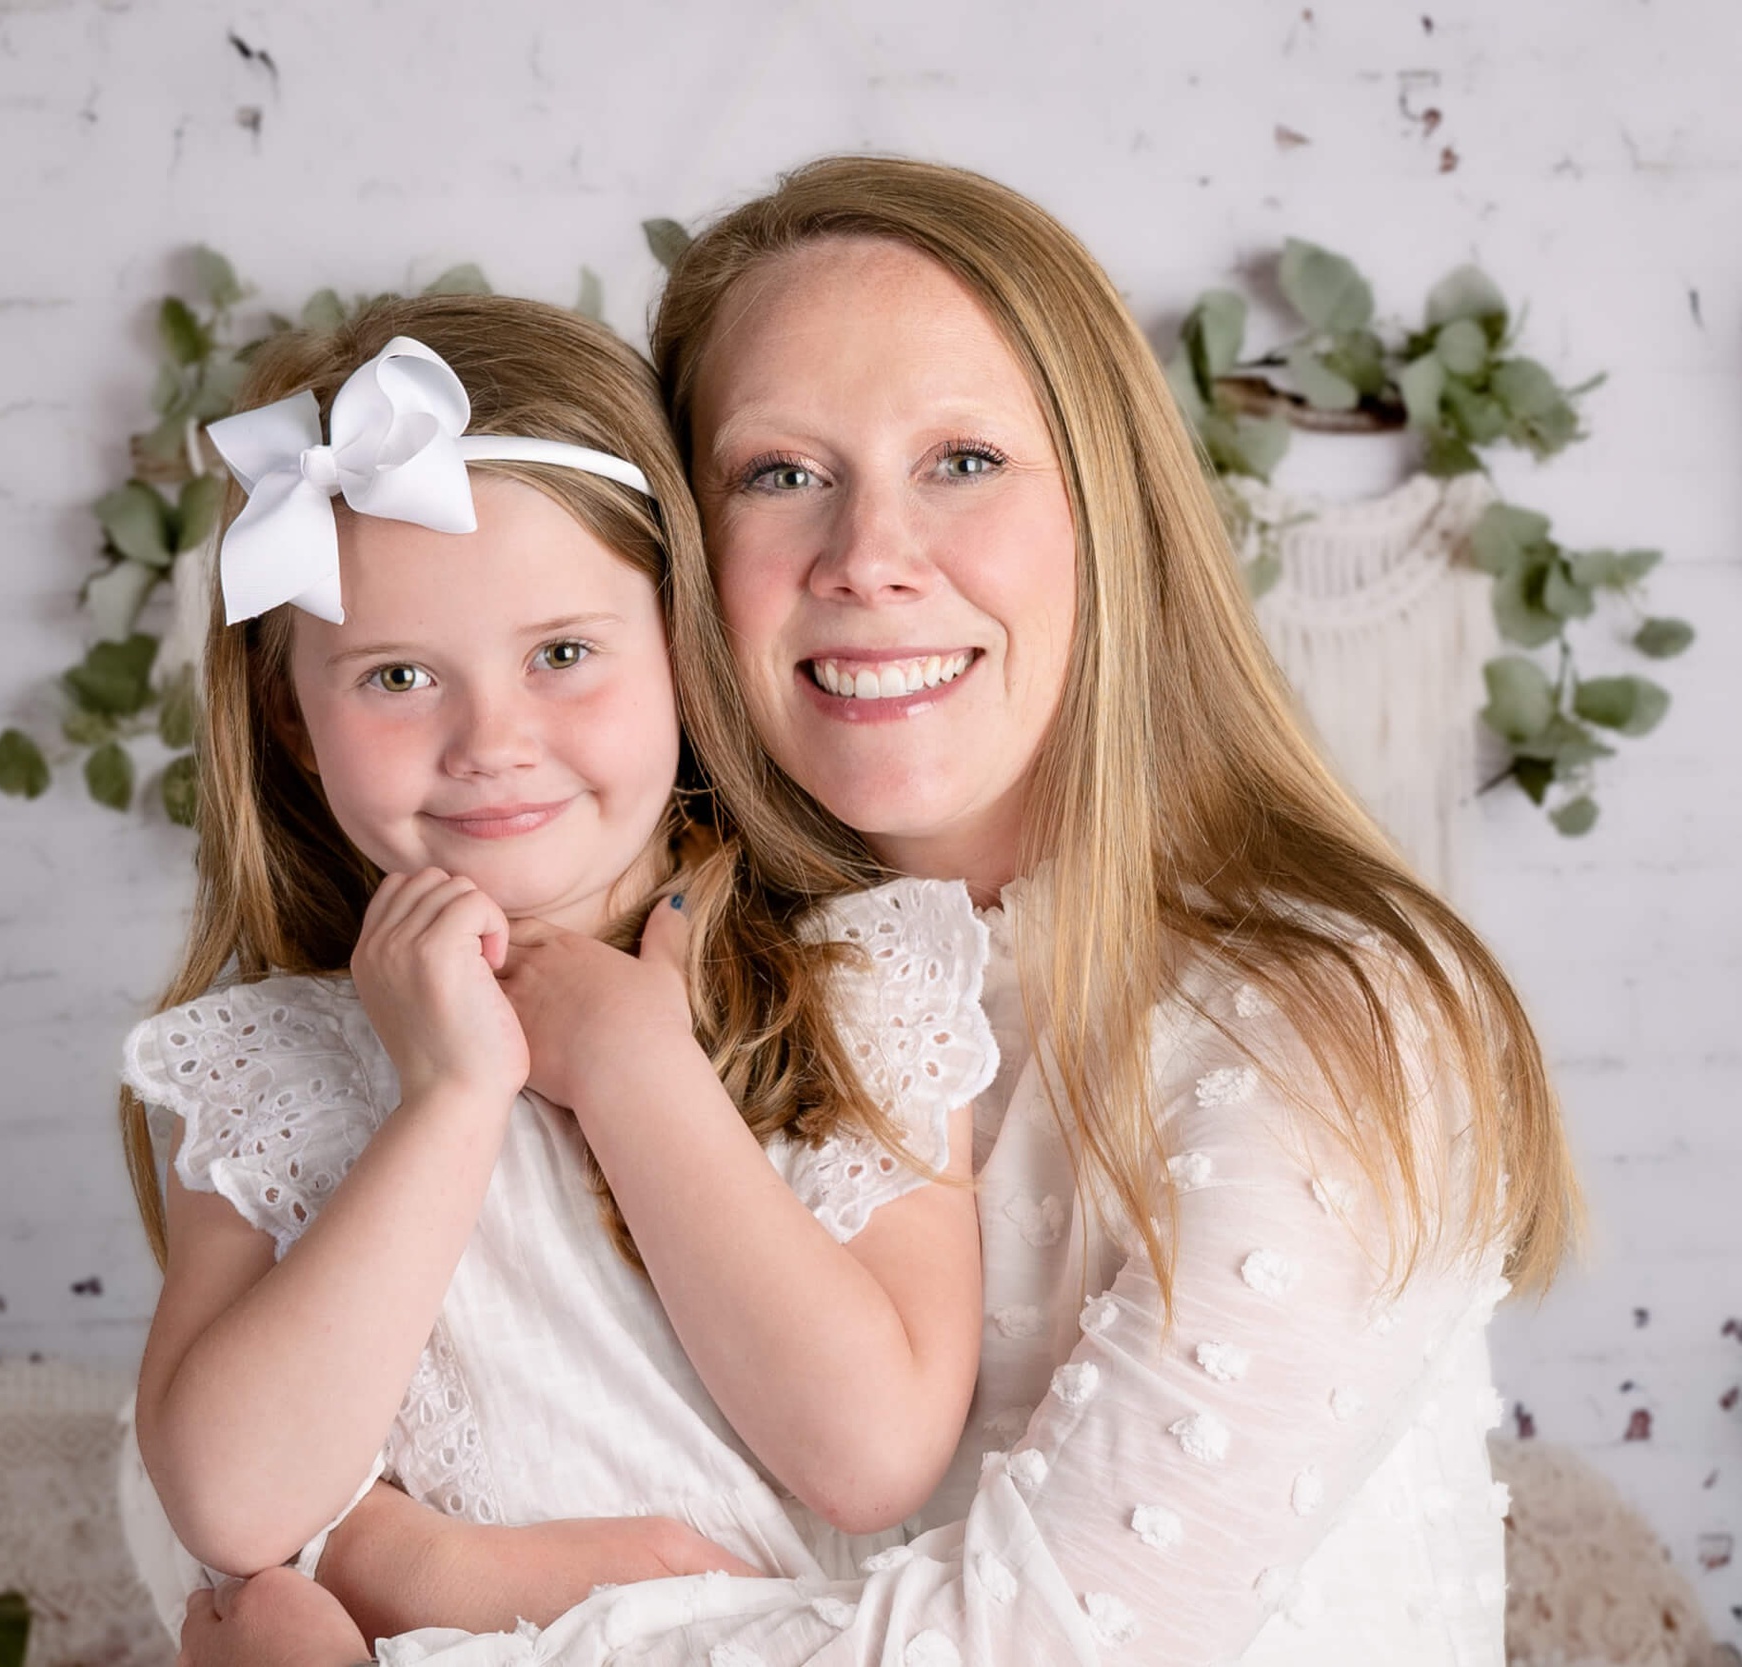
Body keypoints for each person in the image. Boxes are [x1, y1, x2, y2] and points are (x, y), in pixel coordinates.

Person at [187, 157, 1581, 1665]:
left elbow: (1045, 1648)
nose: (867, 562)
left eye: (964, 461)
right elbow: (226, 1502)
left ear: (1109, 512)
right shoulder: (674, 976)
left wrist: (397, 1603)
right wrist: (384, 1550)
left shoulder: (1323, 1023)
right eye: (781, 475)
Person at [121, 295, 999, 1655]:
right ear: (295, 724)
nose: (491, 740)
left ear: (683, 657)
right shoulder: (273, 1069)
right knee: (267, 1628)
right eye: (399, 674)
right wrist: (450, 1098)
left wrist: (636, 1071)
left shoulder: (851, 990)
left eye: (562, 656)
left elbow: (871, 1456)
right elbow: (233, 1505)